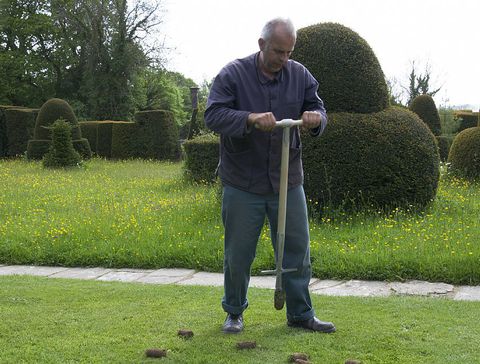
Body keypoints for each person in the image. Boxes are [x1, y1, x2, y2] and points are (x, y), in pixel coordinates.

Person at [204, 17, 335, 334]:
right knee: (238, 253)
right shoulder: (233, 74)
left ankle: (301, 314)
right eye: (278, 51)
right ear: (262, 44)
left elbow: (319, 109)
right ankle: (234, 312)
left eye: (289, 52)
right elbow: (213, 114)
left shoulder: (300, 75)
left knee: (297, 250)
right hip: (242, 182)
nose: (284, 58)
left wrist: (315, 118)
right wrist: (248, 118)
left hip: (287, 181)